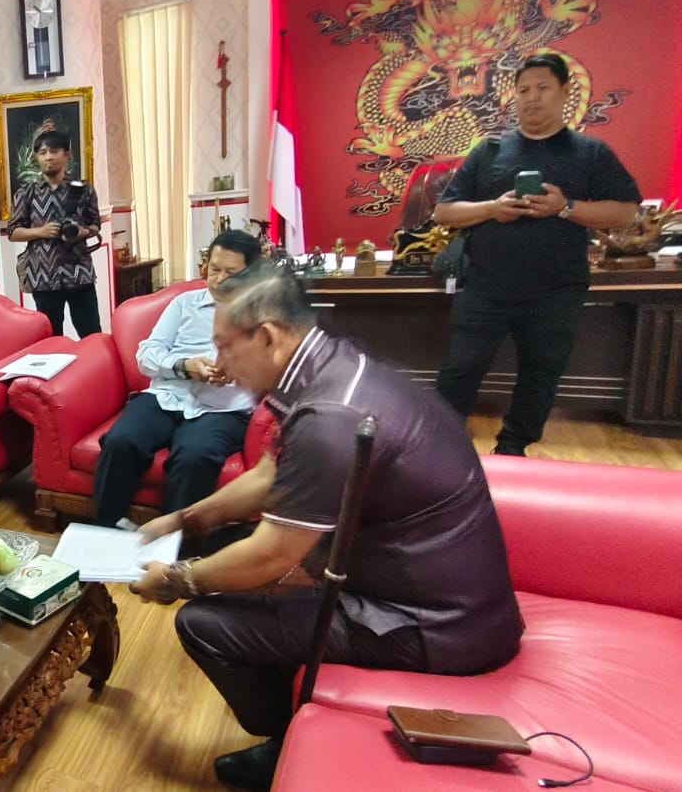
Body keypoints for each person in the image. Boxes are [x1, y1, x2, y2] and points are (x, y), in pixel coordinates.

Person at [128, 265, 523, 790]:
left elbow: (273, 553)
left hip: (434, 625)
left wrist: (178, 580)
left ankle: (288, 738)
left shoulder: (330, 414)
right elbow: (269, 476)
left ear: (267, 336)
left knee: (202, 623)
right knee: (221, 543)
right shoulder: (330, 364)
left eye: (224, 348)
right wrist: (184, 519)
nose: (218, 365)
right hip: (421, 588)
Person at [433, 53, 641, 456]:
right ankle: (439, 449)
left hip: (556, 290)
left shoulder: (590, 153)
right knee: (459, 370)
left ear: (564, 92)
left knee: (540, 376)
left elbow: (626, 211)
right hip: (485, 287)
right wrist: (492, 208)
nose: (532, 97)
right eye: (524, 90)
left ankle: (512, 452)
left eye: (543, 88)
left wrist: (566, 208)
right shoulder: (489, 151)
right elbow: (444, 212)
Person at [92, 230, 261, 531]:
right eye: (214, 269)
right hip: (167, 395)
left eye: (231, 273)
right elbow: (147, 354)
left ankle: (174, 547)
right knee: (120, 442)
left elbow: (276, 370)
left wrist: (240, 371)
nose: (219, 279)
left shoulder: (263, 315)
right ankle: (107, 533)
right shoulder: (185, 304)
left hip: (224, 408)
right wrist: (184, 366)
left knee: (194, 457)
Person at [7, 129, 103, 337]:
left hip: (79, 274)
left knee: (92, 334)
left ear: (67, 154)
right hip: (44, 277)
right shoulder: (26, 193)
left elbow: (95, 224)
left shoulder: (83, 189)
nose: (48, 157)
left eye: (54, 151)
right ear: (36, 157)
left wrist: (83, 232)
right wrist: (40, 231)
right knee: (50, 338)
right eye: (42, 152)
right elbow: (13, 232)